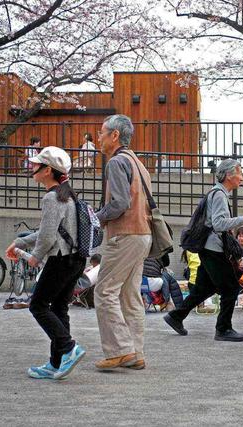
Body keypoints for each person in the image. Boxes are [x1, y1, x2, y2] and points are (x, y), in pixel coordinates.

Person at [5, 146, 86, 380]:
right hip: (76, 259)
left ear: (48, 170)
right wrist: (20, 242)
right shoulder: (67, 195)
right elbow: (48, 232)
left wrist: (34, 256)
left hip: (60, 260)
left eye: (36, 165)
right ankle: (56, 362)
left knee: (38, 305)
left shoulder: (51, 197)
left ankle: (69, 348)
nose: (32, 168)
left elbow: (48, 237)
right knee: (59, 308)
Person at [164, 159, 243, 342]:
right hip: (213, 249)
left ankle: (176, 316)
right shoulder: (218, 195)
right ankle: (223, 329)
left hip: (209, 248)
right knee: (231, 288)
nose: (242, 177)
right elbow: (218, 224)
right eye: (239, 173)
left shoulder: (217, 193)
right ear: (228, 176)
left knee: (204, 288)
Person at [93, 114, 153, 371]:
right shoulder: (138, 163)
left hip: (124, 234)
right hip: (143, 234)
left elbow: (119, 204)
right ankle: (135, 352)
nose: (99, 138)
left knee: (104, 291)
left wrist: (96, 217)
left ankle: (120, 350)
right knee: (130, 295)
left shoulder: (116, 163)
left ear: (114, 135)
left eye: (101, 133)